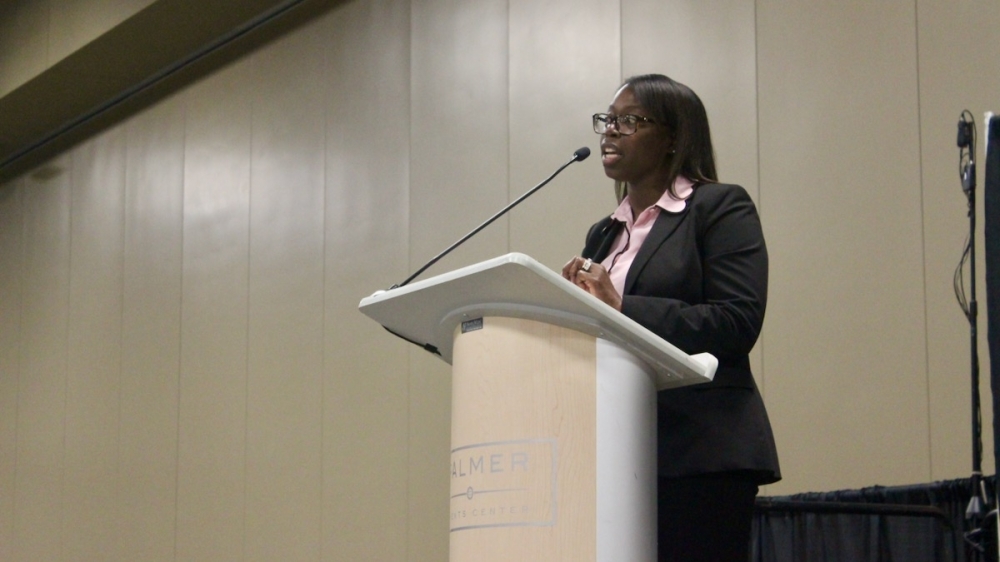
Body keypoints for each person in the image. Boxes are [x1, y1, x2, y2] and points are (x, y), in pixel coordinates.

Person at [562, 74, 780, 562]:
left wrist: (621, 306)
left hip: (700, 456)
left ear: (674, 138)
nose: (610, 132)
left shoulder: (718, 208)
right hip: (616, 454)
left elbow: (737, 321)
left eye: (629, 120)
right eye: (607, 120)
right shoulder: (603, 234)